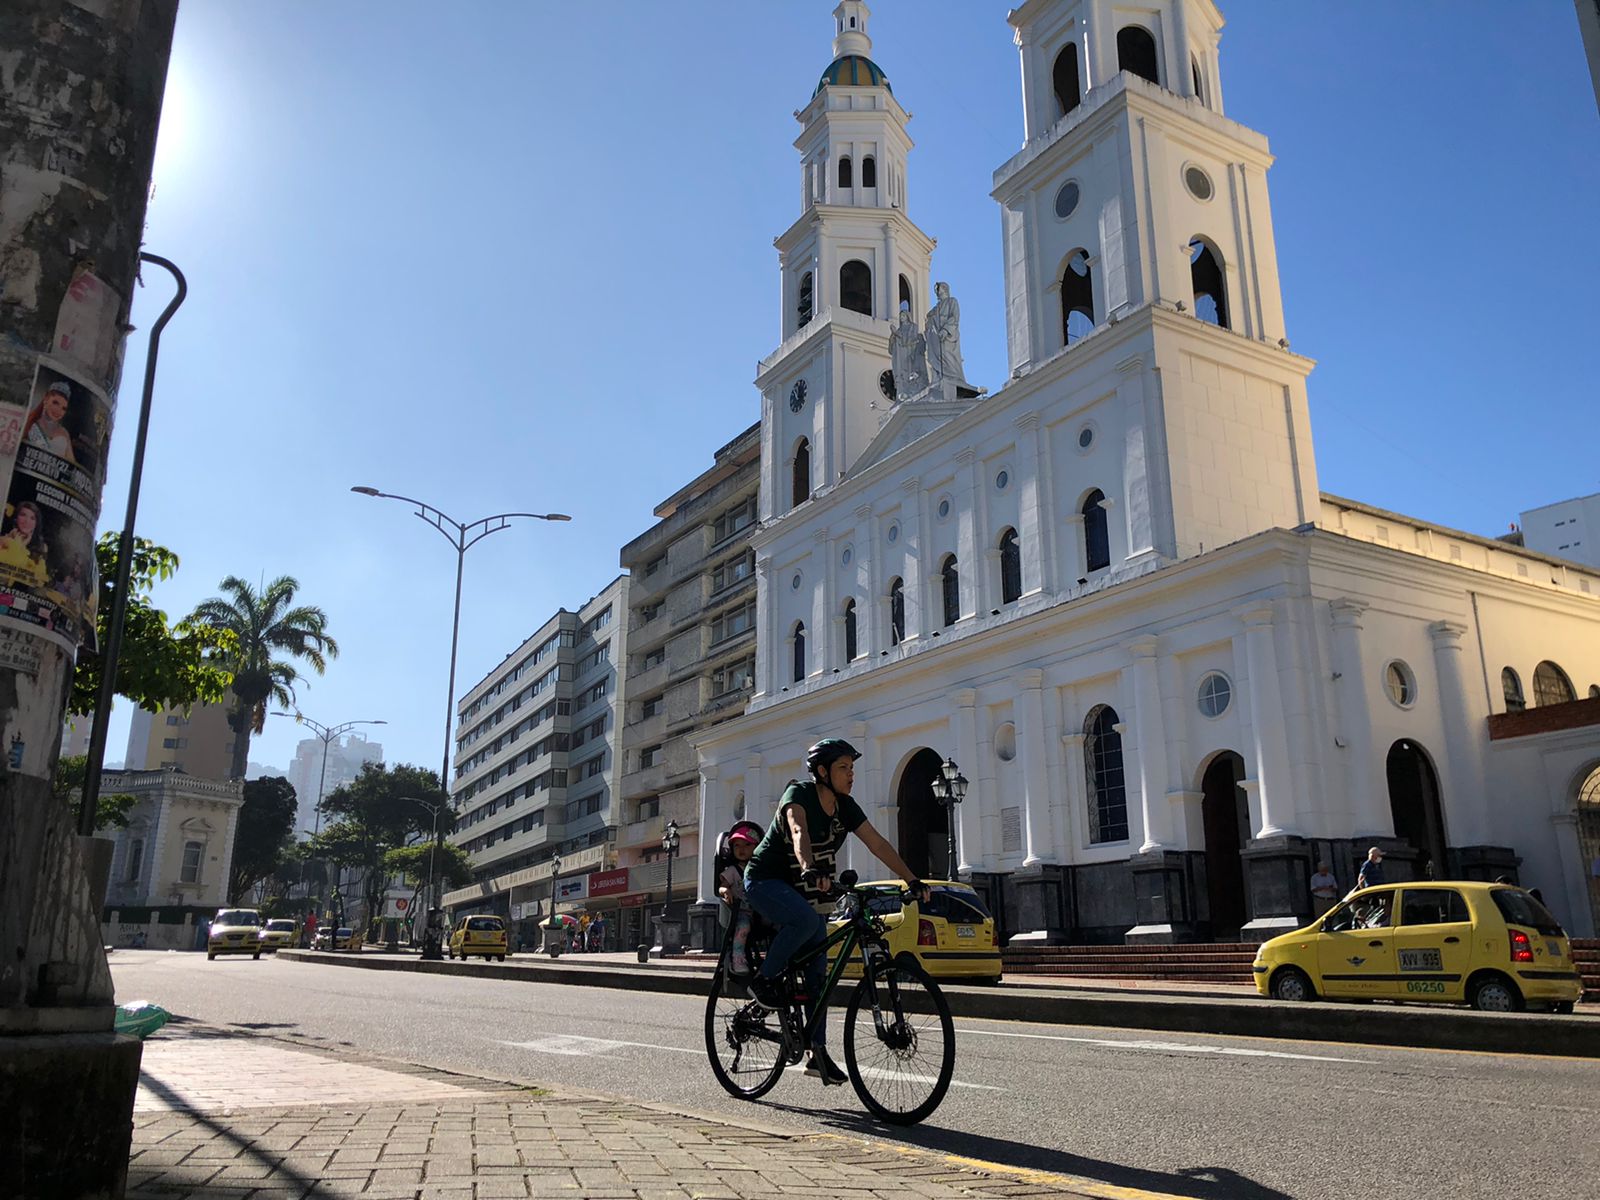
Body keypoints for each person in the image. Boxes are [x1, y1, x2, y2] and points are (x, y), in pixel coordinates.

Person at [742, 738, 929, 1086]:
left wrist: (911, 879)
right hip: (766, 880)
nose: (851, 774)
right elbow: (799, 831)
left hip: (805, 888)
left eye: (852, 767)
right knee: (804, 922)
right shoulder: (798, 794)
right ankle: (764, 981)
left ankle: (817, 1052)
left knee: (818, 974)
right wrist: (808, 866)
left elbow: (877, 842)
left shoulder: (846, 806)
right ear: (823, 772)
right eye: (844, 768)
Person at [715, 821, 762, 975]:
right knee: (743, 927)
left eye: (747, 845)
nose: (741, 849)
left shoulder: (759, 868)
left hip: (759, 910)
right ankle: (738, 958)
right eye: (737, 846)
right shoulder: (733, 870)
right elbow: (722, 885)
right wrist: (725, 891)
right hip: (740, 910)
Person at [22, 381, 77, 463]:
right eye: (55, 403)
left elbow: (71, 463)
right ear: (46, 399)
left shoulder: (64, 433)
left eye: (63, 408)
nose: (58, 411)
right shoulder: (30, 423)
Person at [924, 281, 966, 387]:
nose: (937, 292)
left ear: (944, 289)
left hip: (947, 337)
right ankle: (939, 377)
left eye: (938, 289)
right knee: (936, 357)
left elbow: (954, 317)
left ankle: (953, 377)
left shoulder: (952, 301)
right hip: (936, 339)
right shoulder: (936, 308)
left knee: (948, 357)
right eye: (936, 290)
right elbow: (928, 318)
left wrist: (946, 330)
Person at [0, 501, 50, 587]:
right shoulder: (4, 540)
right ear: (16, 518)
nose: (27, 521)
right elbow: (5, 572)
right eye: (23, 515)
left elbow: (39, 582)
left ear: (36, 524)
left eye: (32, 518)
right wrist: (19, 546)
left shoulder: (41, 548)